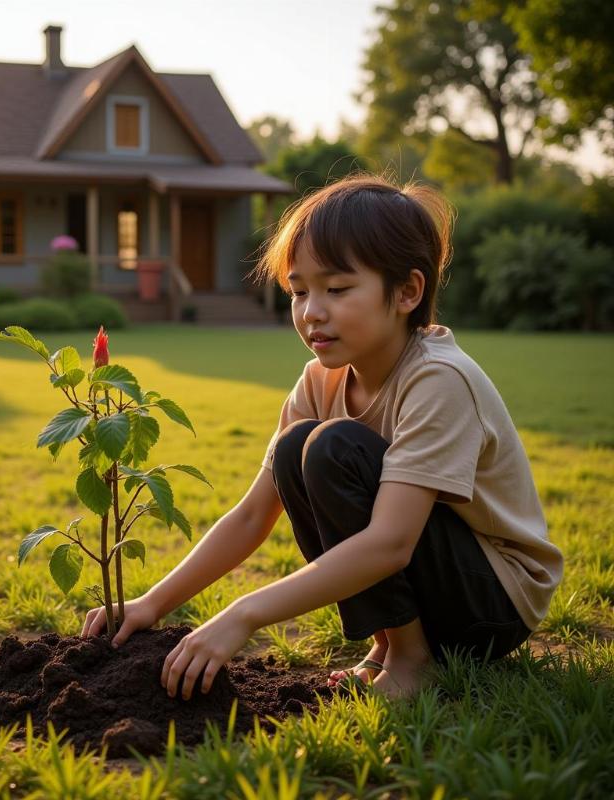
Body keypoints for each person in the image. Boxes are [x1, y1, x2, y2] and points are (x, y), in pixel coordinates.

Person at [81, 173, 564, 703]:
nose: (311, 311)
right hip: (437, 584)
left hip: (493, 602)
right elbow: (251, 516)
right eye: (298, 291)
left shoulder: (438, 378)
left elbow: (391, 543)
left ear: (407, 292)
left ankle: (411, 657)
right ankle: (390, 644)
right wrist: (153, 602)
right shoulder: (321, 378)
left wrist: (242, 616)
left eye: (336, 289)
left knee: (333, 447)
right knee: (298, 448)